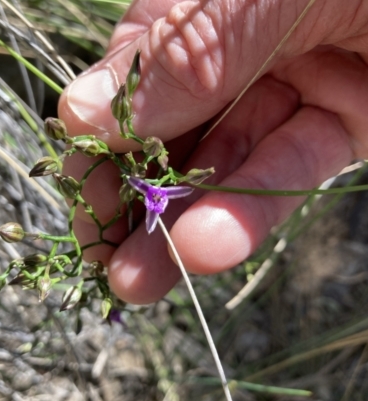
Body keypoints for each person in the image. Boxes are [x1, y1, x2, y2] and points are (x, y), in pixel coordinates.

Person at [58, 0, 368, 304]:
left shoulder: (156, 190)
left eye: (155, 196)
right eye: (155, 197)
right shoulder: (153, 191)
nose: (157, 199)